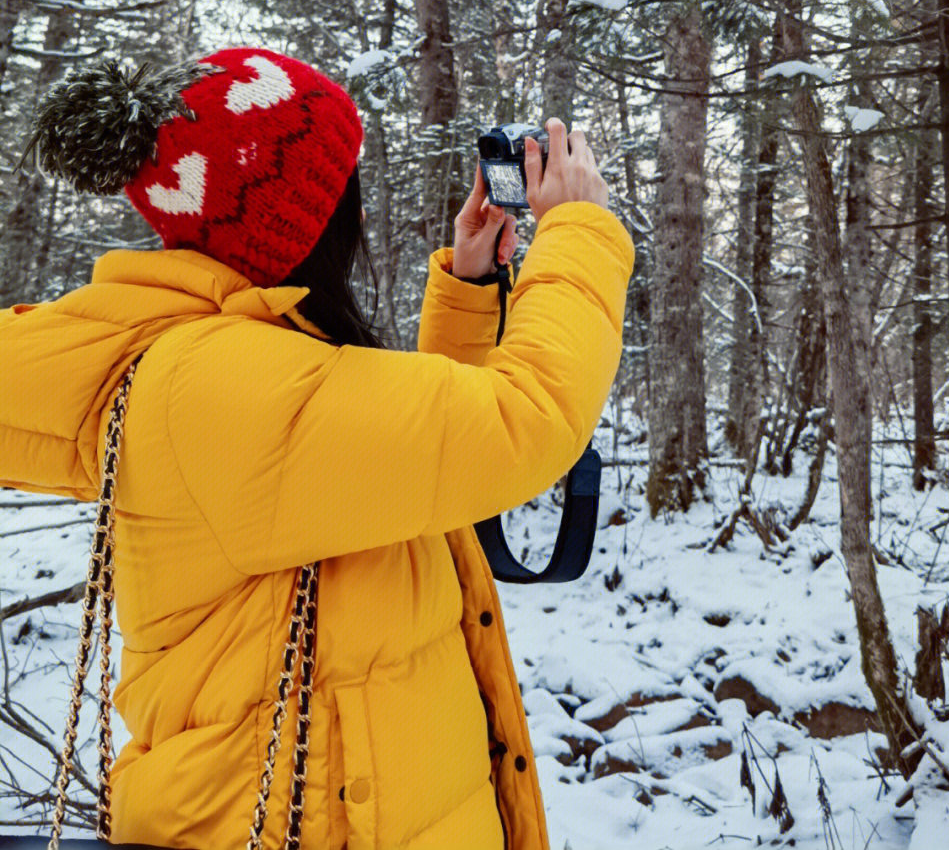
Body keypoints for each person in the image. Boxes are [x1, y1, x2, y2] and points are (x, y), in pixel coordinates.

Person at [0, 46, 634, 850]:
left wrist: (472, 293)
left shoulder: (234, 365)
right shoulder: (224, 386)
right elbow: (525, 418)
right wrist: (580, 231)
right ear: (293, 222)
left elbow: (403, 470)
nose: (361, 216)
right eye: (347, 191)